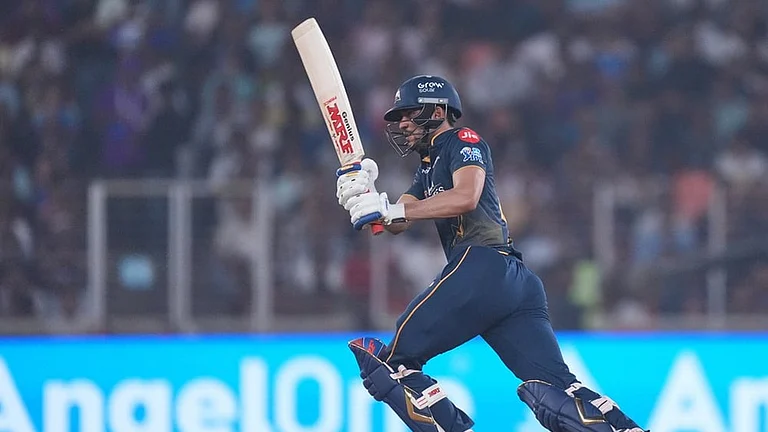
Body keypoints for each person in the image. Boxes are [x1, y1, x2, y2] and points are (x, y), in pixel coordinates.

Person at [336, 75, 647, 432]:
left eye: (409, 112)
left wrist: (393, 210)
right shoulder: (425, 169)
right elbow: (397, 222)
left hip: (481, 267)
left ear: (438, 110)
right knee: (558, 388)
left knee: (391, 365)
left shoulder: (462, 140)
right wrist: (367, 198)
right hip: (513, 283)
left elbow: (466, 195)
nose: (402, 123)